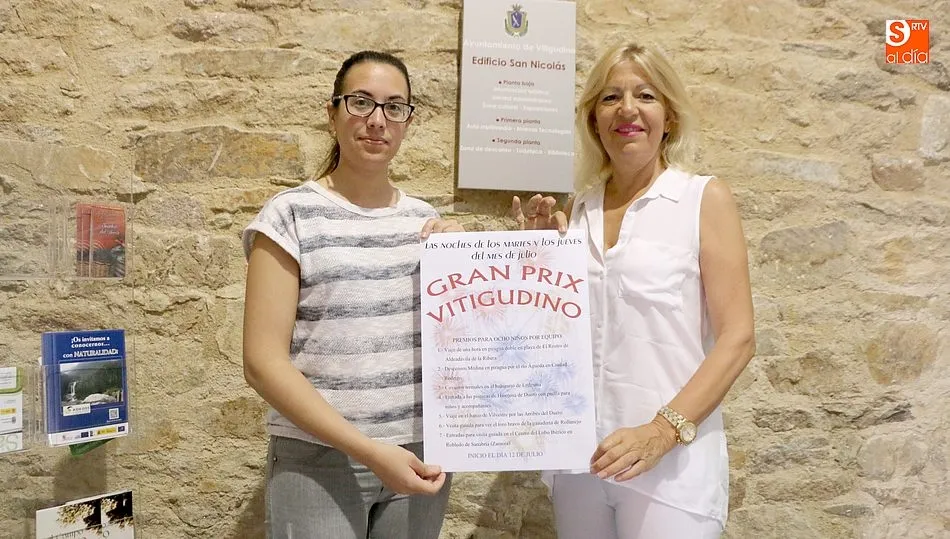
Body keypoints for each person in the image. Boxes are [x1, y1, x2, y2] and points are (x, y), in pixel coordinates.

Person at [512, 43, 755, 538]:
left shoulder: (702, 198)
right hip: (581, 463)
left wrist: (662, 432)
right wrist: (531, 258)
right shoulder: (577, 211)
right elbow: (550, 334)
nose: (627, 110)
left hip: (673, 470)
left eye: (645, 95)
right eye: (610, 98)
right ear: (592, 120)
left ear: (668, 117)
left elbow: (738, 339)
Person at [242, 50, 461, 539]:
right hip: (320, 460)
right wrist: (368, 450)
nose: (377, 120)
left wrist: (473, 259)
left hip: (421, 455)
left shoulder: (427, 223)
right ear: (333, 112)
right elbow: (262, 362)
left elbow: (468, 341)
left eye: (394, 107)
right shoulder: (290, 215)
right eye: (361, 102)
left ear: (408, 120)